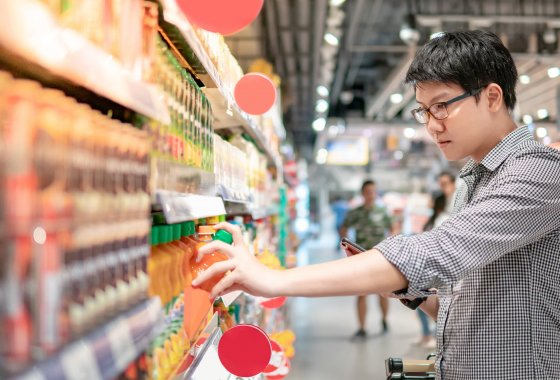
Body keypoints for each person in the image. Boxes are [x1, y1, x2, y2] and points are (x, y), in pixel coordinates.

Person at [192, 30, 560, 379]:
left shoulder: (540, 173)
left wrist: (272, 280)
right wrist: (410, 292)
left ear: (492, 97)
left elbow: (439, 251)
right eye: (423, 111)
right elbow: (459, 298)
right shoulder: (473, 180)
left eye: (442, 106)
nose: (432, 126)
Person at [338, 180, 392, 338]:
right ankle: (361, 327)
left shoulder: (383, 212)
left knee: (384, 292)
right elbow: (344, 228)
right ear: (363, 193)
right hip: (361, 258)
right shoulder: (355, 213)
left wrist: (391, 244)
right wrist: (347, 246)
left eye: (373, 191)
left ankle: (384, 319)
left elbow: (393, 228)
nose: (371, 195)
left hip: (381, 257)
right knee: (361, 293)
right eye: (368, 191)